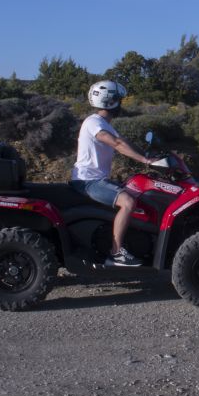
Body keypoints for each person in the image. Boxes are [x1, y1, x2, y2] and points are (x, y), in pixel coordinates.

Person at [70, 80, 155, 267]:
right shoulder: (93, 122)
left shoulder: (103, 123)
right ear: (112, 102)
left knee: (135, 192)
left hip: (95, 180)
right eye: (119, 100)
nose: (122, 104)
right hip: (88, 182)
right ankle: (116, 254)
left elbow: (122, 141)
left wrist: (149, 154)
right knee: (128, 202)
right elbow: (115, 143)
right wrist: (145, 161)